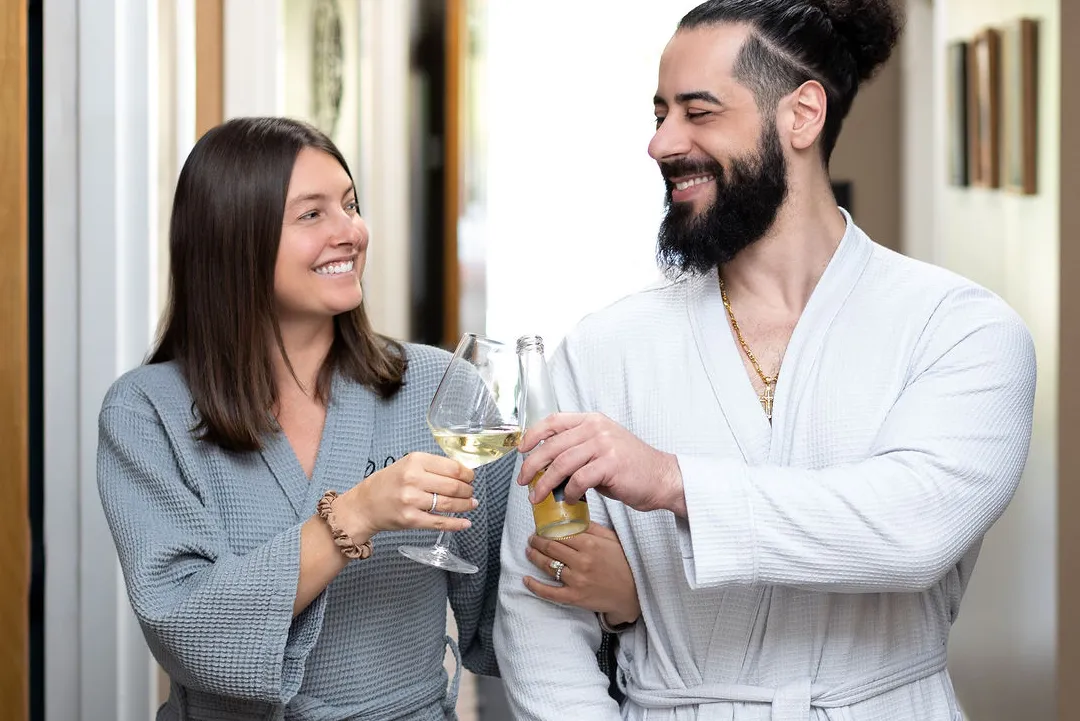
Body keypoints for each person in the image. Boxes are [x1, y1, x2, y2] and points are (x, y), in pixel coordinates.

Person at [494, 1, 1038, 720]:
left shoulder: (960, 330)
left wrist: (670, 479)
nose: (661, 142)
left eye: (699, 112)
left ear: (802, 116)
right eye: (659, 113)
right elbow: (537, 606)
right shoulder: (602, 349)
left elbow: (911, 528)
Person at [95, 117, 637, 720]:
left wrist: (619, 599)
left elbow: (509, 610)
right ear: (233, 237)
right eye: (312, 214)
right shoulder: (146, 413)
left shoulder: (436, 386)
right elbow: (187, 627)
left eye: (350, 205)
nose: (350, 231)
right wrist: (356, 514)